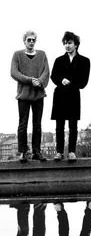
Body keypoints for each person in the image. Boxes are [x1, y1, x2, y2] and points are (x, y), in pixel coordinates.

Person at [51, 31, 90, 161]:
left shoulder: (84, 61)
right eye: (65, 43)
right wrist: (61, 80)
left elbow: (83, 81)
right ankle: (59, 151)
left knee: (73, 125)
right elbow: (53, 76)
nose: (67, 46)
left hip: (73, 94)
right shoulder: (59, 60)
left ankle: (72, 151)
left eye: (70, 43)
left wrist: (71, 83)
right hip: (60, 95)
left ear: (76, 44)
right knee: (59, 125)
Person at [10, 31, 50, 163]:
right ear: (24, 41)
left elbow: (46, 71)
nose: (31, 42)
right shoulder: (17, 55)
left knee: (37, 124)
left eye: (33, 40)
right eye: (29, 40)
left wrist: (40, 81)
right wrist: (30, 80)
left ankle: (36, 151)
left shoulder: (42, 55)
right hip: (23, 95)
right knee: (23, 124)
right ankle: (23, 152)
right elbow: (14, 73)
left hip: (38, 94)